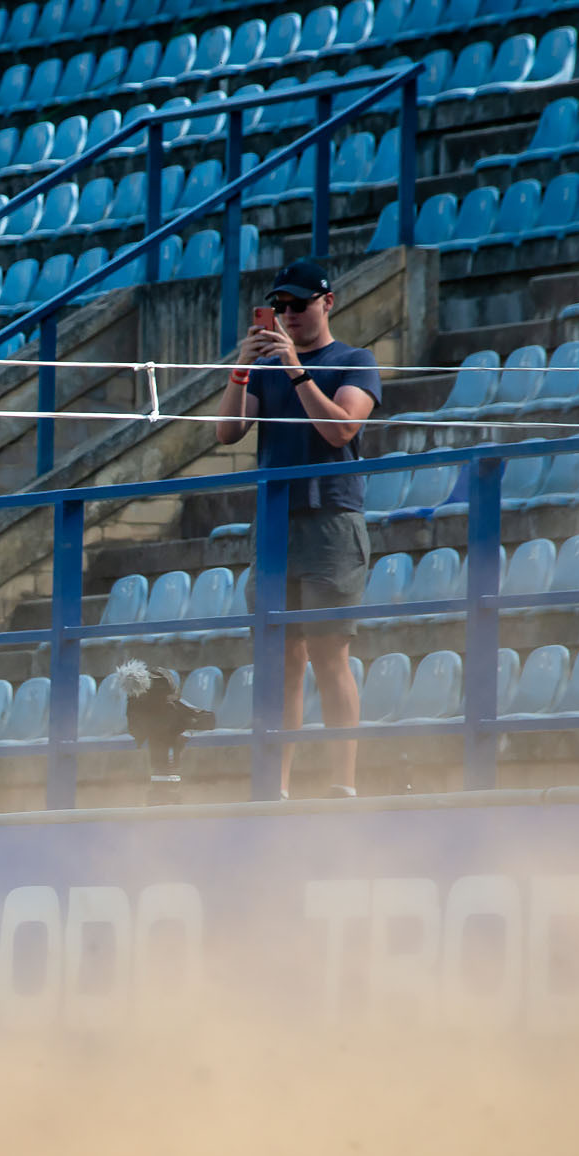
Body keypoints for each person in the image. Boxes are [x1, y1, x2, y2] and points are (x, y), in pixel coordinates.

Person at [214, 258, 382, 799]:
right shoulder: (266, 366)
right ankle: (276, 786)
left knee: (330, 654)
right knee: (281, 659)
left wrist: (296, 371)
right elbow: (227, 431)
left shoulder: (355, 360)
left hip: (331, 518)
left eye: (299, 305)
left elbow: (342, 429)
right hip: (274, 523)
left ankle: (342, 784)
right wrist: (243, 367)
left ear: (326, 303)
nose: (288, 316)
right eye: (280, 307)